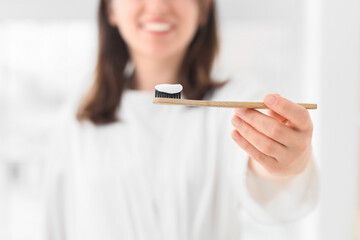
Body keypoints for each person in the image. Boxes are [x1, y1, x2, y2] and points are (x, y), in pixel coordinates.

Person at [45, 0, 318, 239]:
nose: (158, 5)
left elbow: (276, 193)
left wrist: (285, 162)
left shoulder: (235, 103)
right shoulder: (76, 120)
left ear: (204, 7)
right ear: (110, 8)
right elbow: (54, 226)